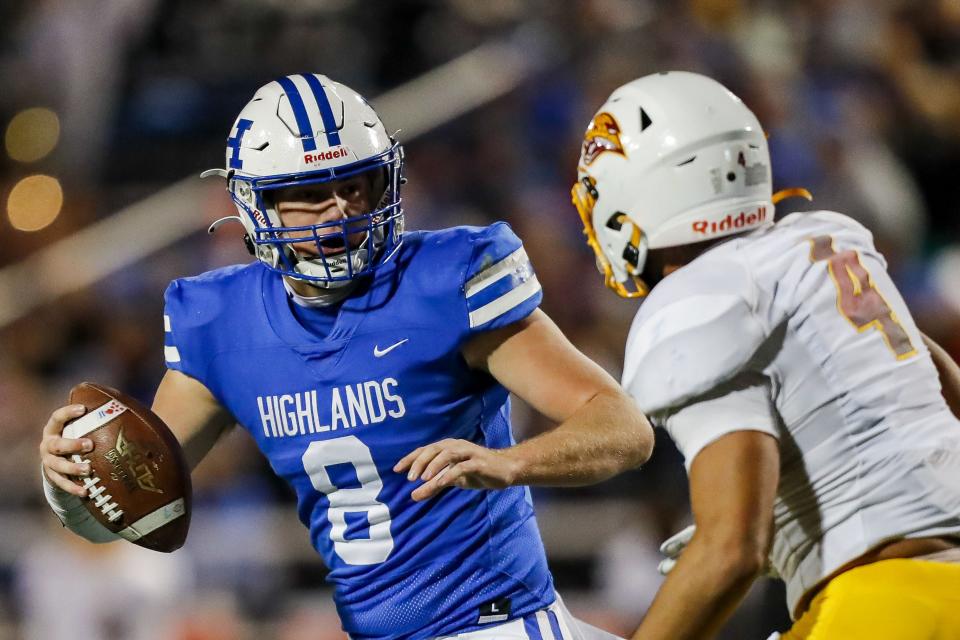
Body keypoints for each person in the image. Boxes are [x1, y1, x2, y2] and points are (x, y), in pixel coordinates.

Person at [39, 73, 654, 640]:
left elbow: (624, 428)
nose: (338, 213)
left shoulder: (444, 283)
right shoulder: (220, 323)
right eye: (309, 194)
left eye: (354, 186)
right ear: (257, 205)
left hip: (495, 625)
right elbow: (124, 509)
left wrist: (512, 462)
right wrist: (69, 482)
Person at [571, 70, 960, 640]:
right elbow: (941, 388)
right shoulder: (826, 242)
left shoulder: (691, 301)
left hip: (888, 603)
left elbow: (731, 550)